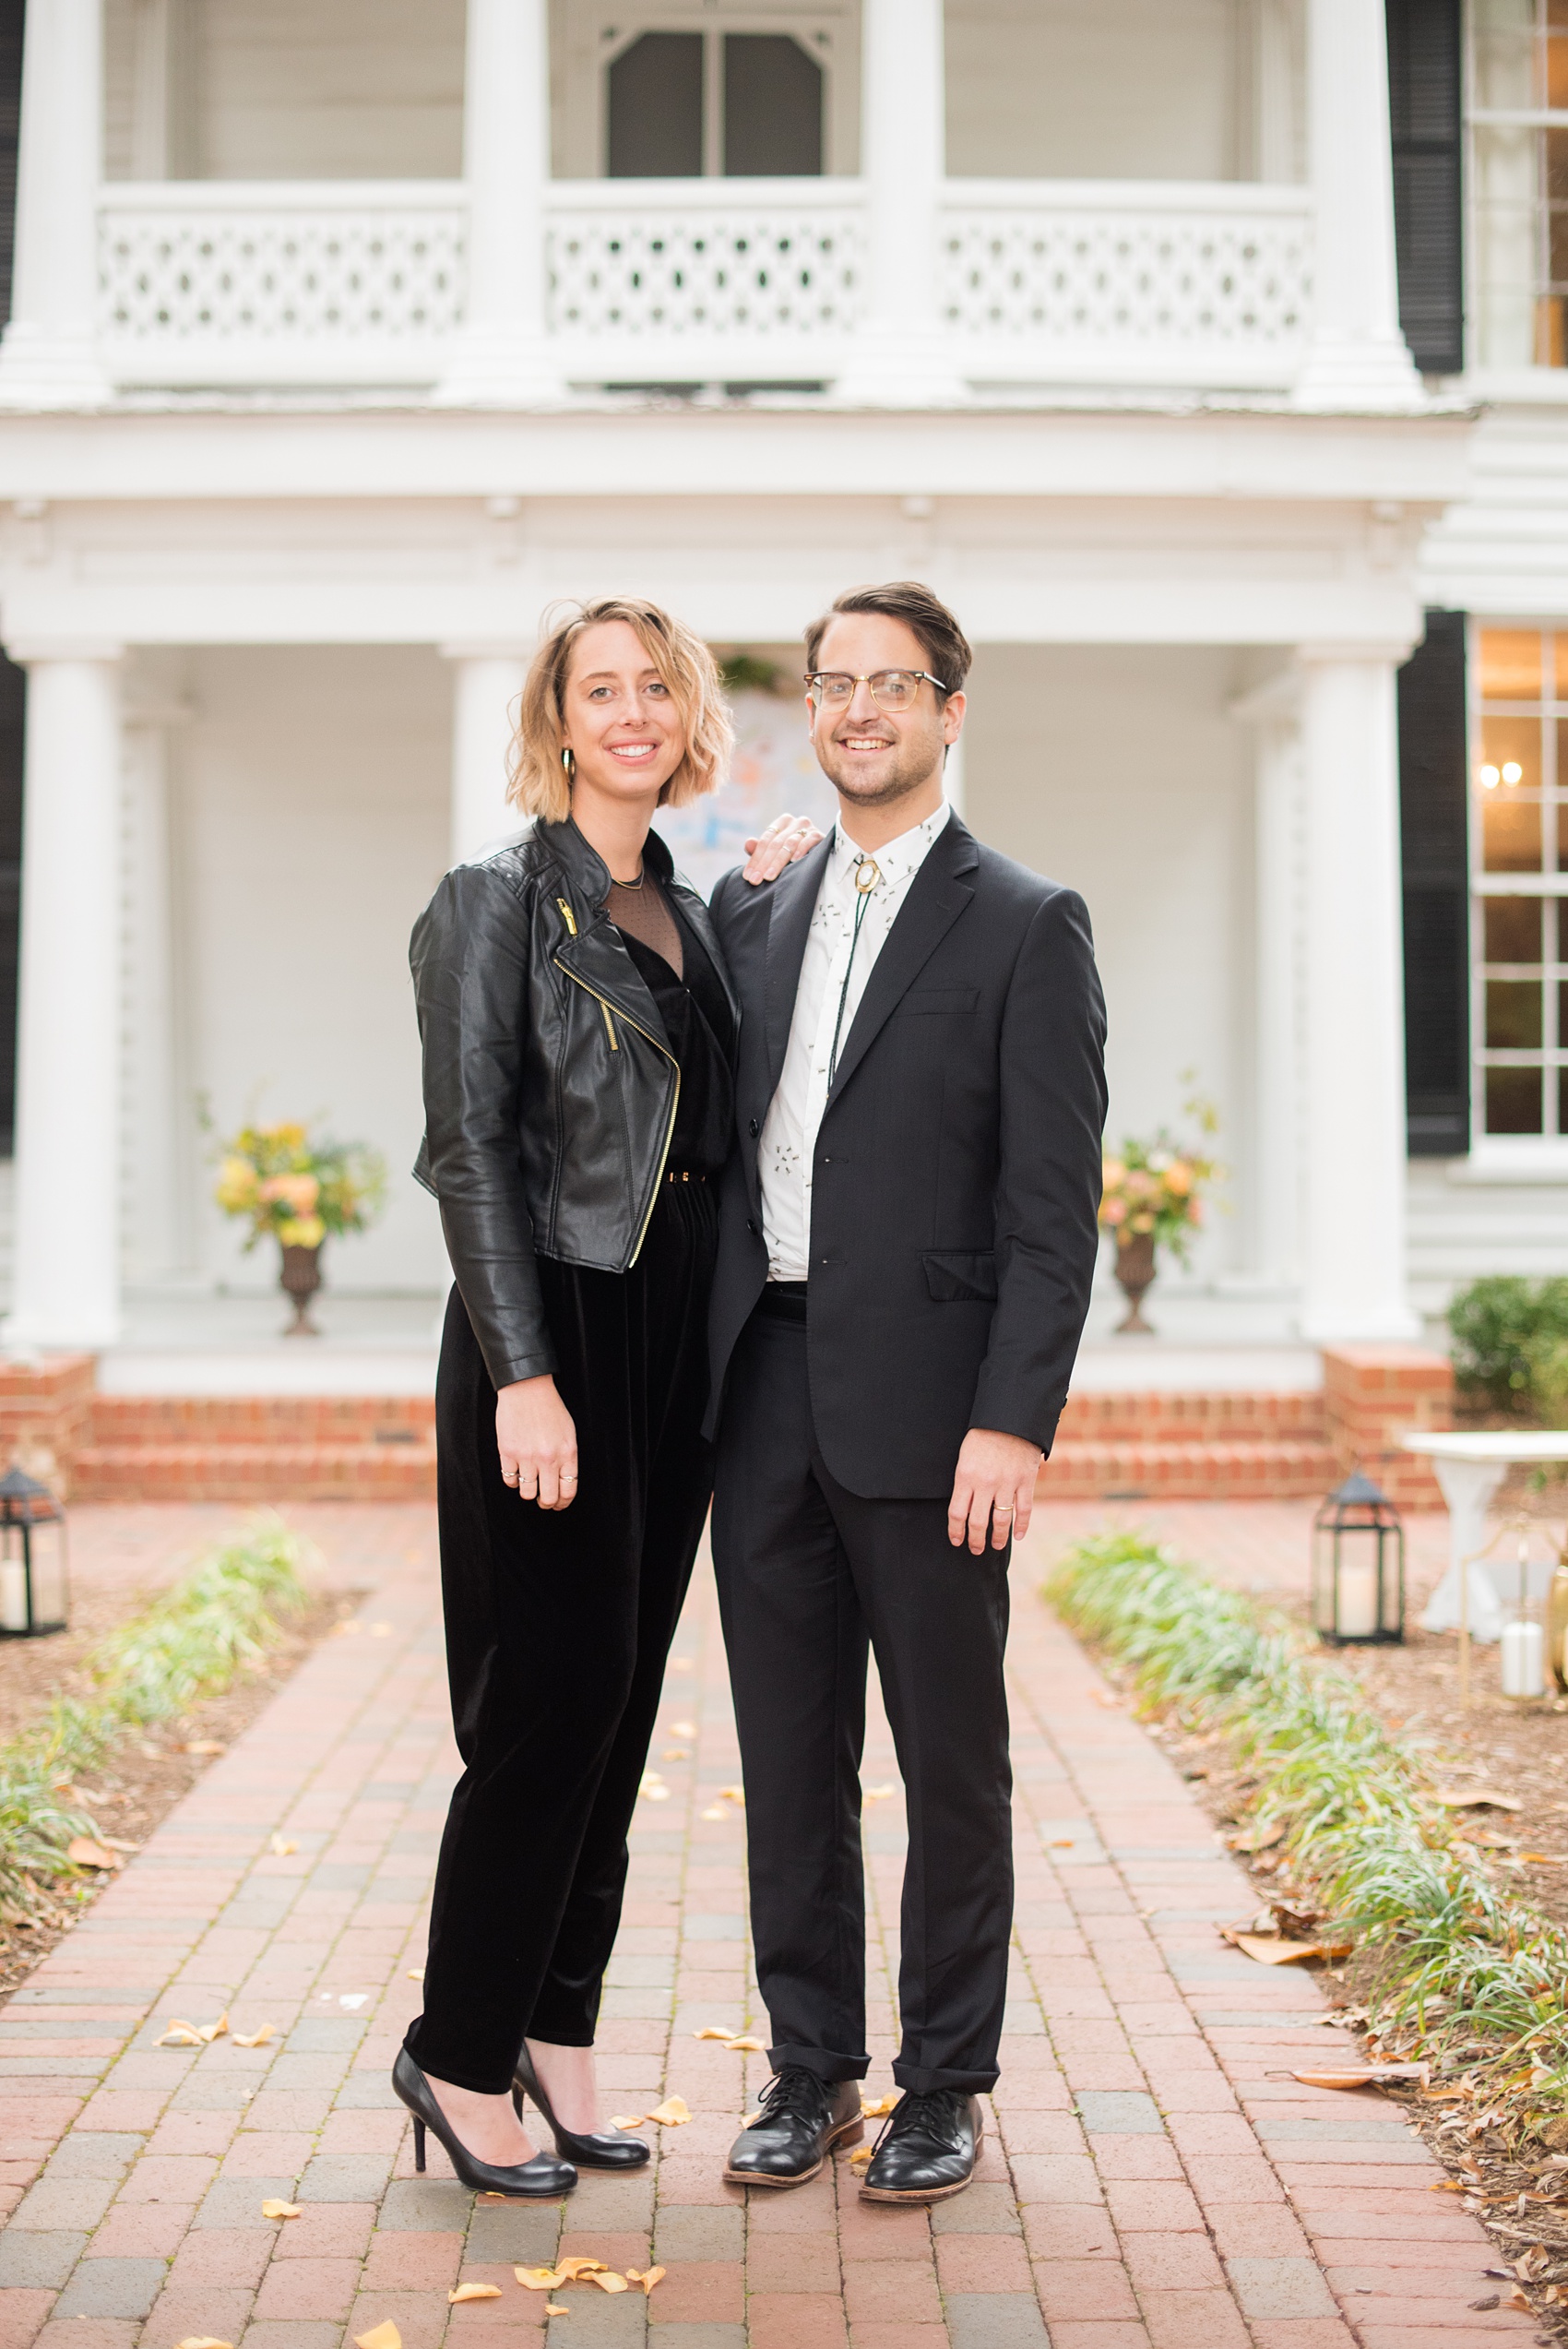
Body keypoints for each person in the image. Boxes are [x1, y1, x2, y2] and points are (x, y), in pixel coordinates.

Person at [396, 597, 819, 2196]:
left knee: (621, 1710)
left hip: (670, 1350)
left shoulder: (691, 909)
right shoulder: (495, 898)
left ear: (685, 713)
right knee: (546, 1708)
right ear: (558, 719)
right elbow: (471, 1149)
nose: (632, 710)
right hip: (553, 1328)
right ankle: (454, 2053)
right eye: (601, 690)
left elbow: (720, 1104)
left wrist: (761, 907)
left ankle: (554, 2042)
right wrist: (525, 1376)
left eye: (657, 687)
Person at [706, 581, 1108, 2204]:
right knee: (787, 1752)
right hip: (768, 1391)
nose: (858, 708)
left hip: (941, 1413)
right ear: (808, 713)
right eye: (833, 684)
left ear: (951, 710)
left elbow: (1052, 1204)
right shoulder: (760, 910)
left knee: (950, 1761)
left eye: (893, 684)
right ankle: (812, 2069)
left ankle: (945, 2082)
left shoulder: (1025, 919)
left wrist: (1013, 1417)